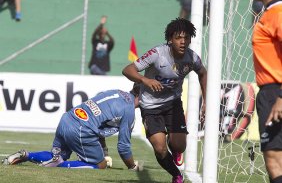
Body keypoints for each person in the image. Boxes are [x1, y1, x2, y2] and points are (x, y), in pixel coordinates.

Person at [122, 18, 207, 183]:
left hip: (173, 103)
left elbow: (203, 73)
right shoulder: (157, 54)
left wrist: (206, 101)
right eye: (178, 38)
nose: (183, 42)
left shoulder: (192, 58)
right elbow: (127, 69)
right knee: (160, 148)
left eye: (187, 38)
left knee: (179, 145)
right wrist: (145, 80)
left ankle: (175, 148)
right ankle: (176, 175)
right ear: (170, 39)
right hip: (150, 106)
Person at [2, 85, 143, 171]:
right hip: (81, 129)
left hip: (67, 119)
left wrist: (104, 151)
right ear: (142, 96)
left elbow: (99, 120)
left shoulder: (115, 92)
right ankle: (57, 166)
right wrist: (132, 166)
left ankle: (27, 155)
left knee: (58, 155)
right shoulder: (129, 110)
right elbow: (123, 147)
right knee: (100, 165)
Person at [252, 0, 282, 183]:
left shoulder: (278, 13)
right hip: (270, 93)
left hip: (275, 92)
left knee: (274, 160)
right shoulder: (271, 12)